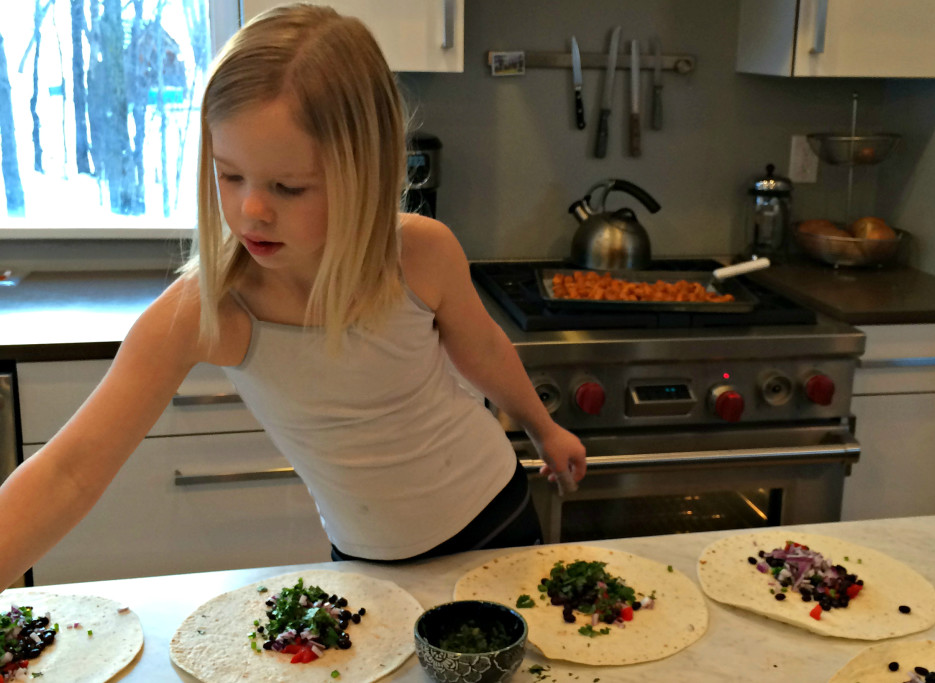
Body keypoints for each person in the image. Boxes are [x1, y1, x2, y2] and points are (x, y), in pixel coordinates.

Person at [0, 4, 586, 589]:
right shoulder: (206, 310)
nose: (252, 209)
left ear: (366, 171)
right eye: (230, 175)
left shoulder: (419, 254)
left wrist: (544, 428)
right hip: (366, 562)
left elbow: (481, 347)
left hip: (494, 518)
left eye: (288, 186)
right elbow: (69, 473)